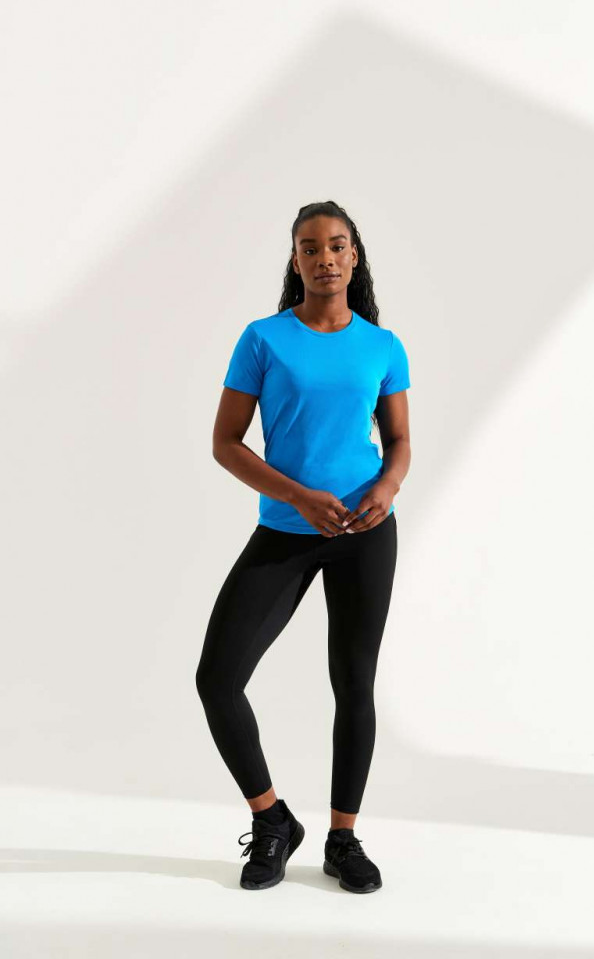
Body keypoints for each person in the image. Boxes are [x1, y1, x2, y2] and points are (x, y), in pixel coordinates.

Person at [195, 201, 411, 893]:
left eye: (336, 246)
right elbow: (226, 443)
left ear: (354, 256)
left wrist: (388, 486)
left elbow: (398, 441)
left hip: (364, 535)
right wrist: (299, 498)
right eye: (310, 248)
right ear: (295, 260)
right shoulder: (263, 339)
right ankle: (272, 821)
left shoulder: (383, 346)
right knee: (217, 679)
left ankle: (342, 839)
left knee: (353, 684)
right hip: (285, 534)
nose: (324, 258)